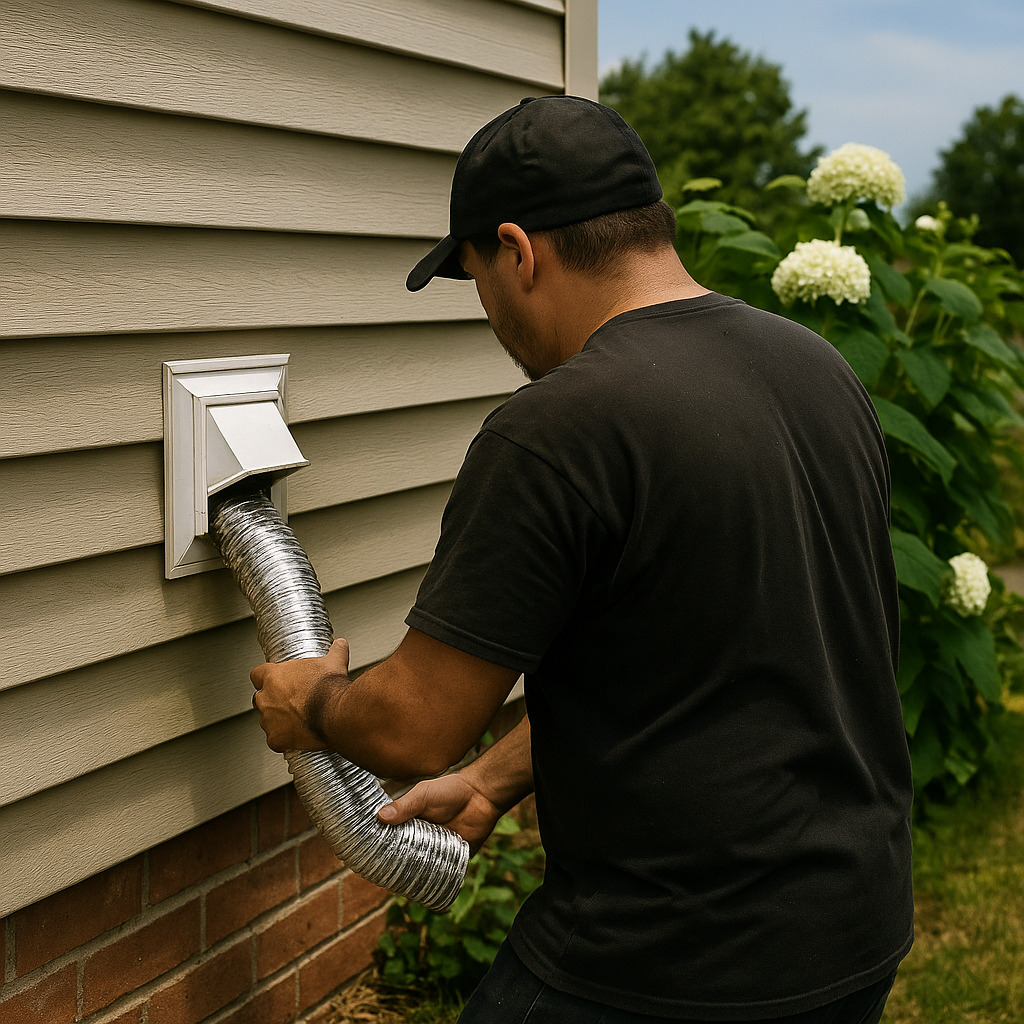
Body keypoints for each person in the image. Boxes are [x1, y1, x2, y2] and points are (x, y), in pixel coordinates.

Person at [250, 95, 914, 1023]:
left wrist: (309, 702)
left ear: (519, 251)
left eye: (475, 278)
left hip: (672, 962)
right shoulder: (817, 370)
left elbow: (414, 728)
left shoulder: (558, 428)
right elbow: (722, 648)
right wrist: (497, 775)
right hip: (853, 932)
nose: (486, 313)